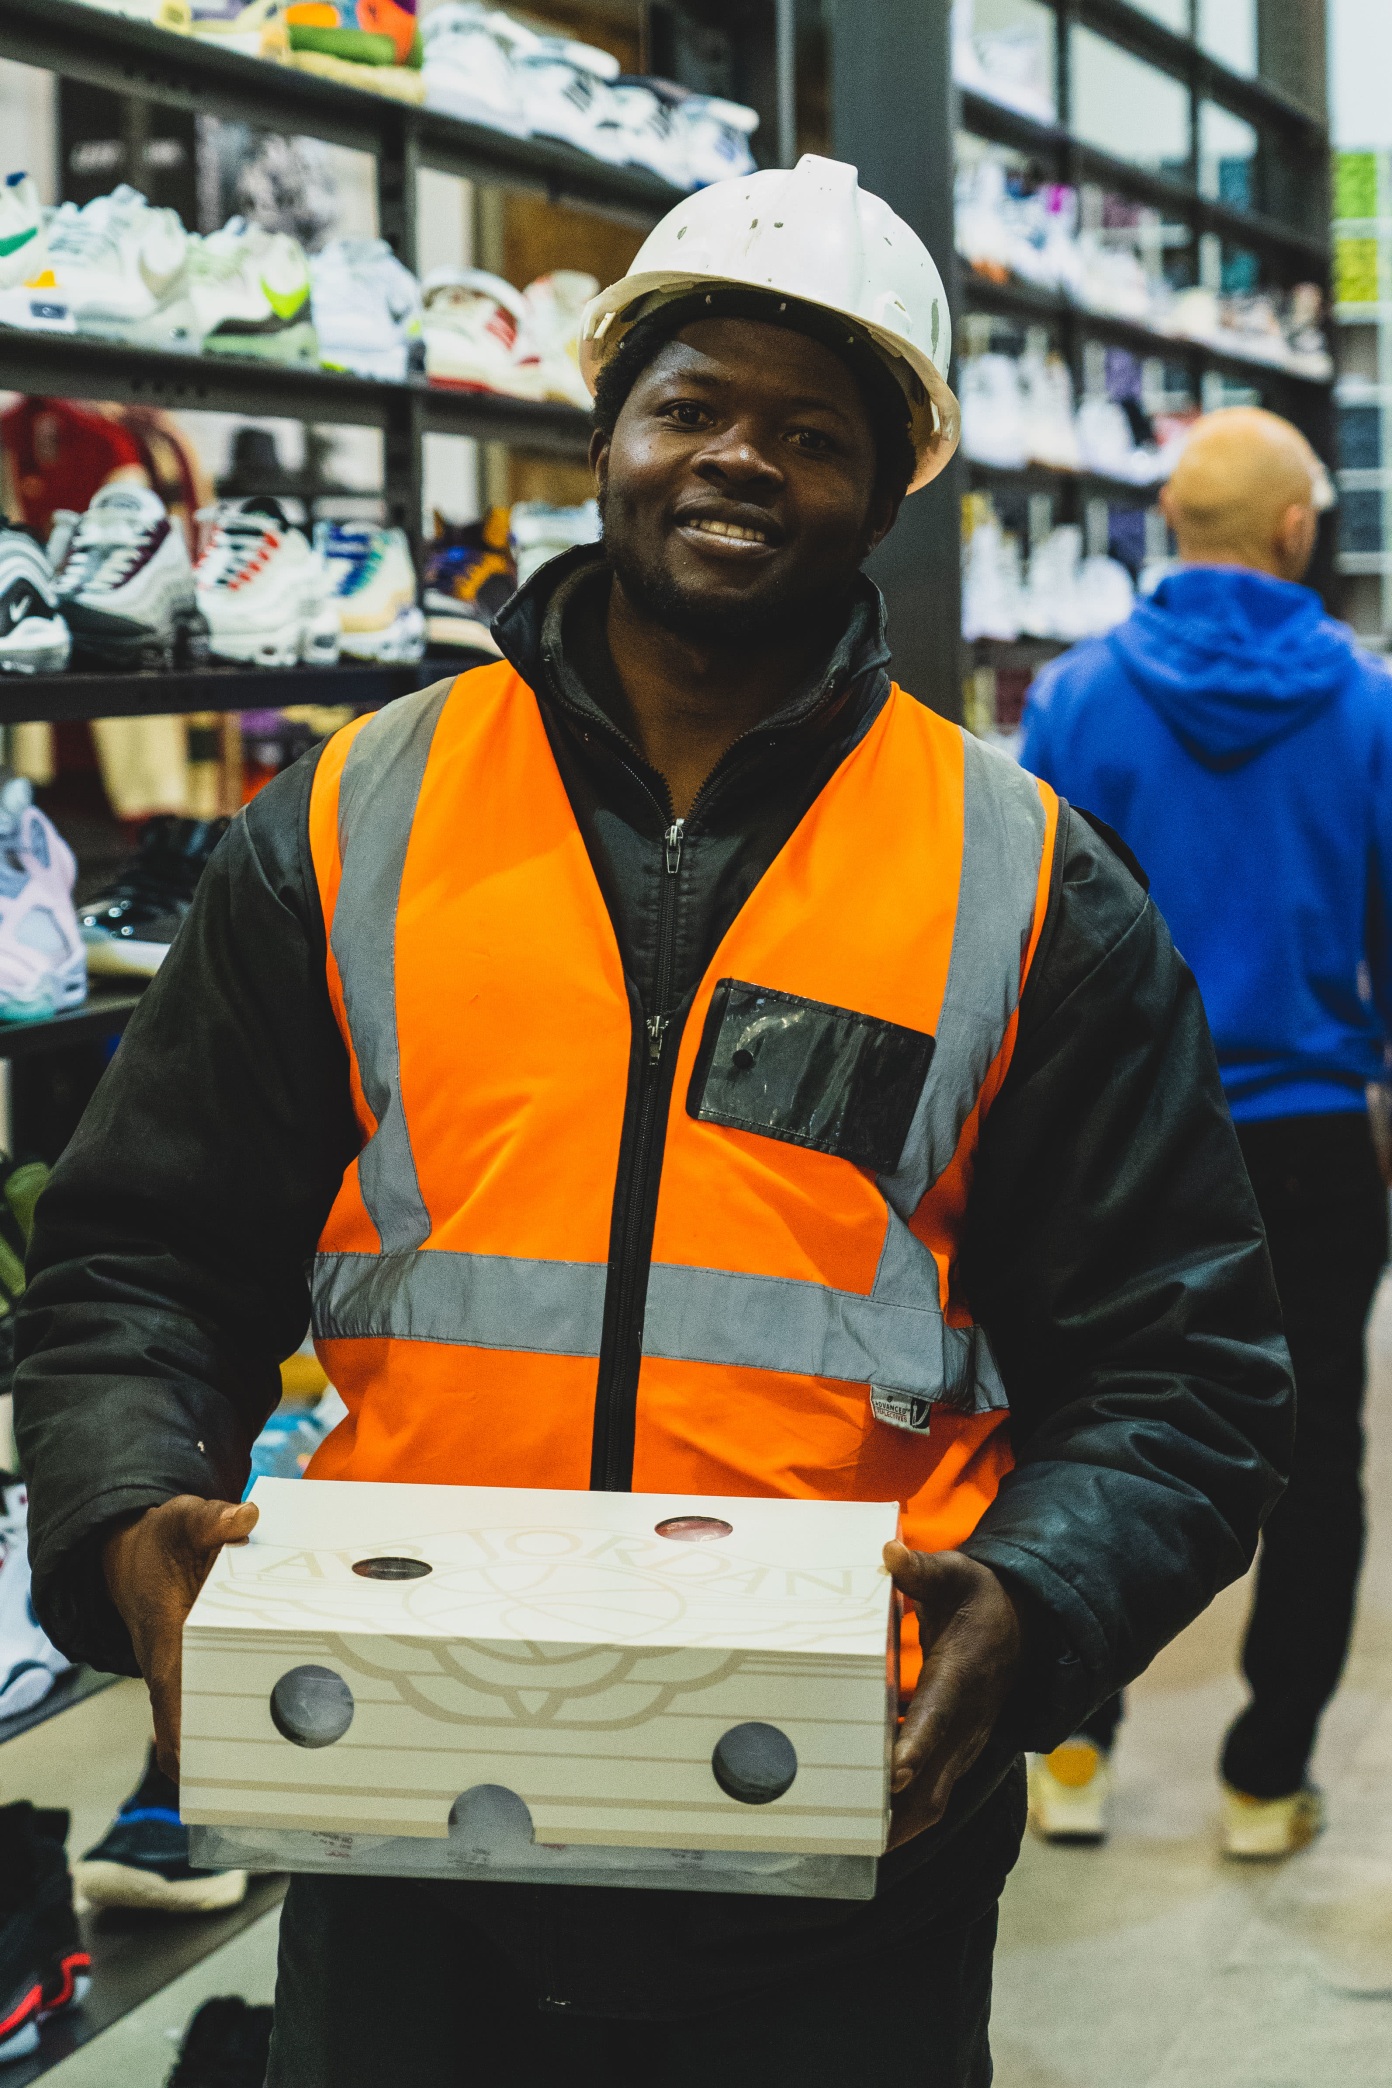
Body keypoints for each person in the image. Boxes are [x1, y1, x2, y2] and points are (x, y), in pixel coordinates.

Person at [14, 160, 1291, 2088]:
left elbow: (1183, 1362)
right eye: (692, 404)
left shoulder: (1022, 884)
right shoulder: (365, 817)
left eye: (811, 431)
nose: (739, 460)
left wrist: (1037, 1610)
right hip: (403, 1779)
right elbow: (141, 1254)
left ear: (892, 488)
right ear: (605, 427)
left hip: (843, 1815)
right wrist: (125, 1522)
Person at [1020, 405, 1391, 1859]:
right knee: (1313, 1461)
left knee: (1079, 1424)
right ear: (1298, 530)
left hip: (1115, 1132)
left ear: (1171, 521)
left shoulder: (1076, 698)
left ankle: (1070, 1753)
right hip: (1303, 1136)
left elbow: (1039, 937)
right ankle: (1260, 1779)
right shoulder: (1369, 711)